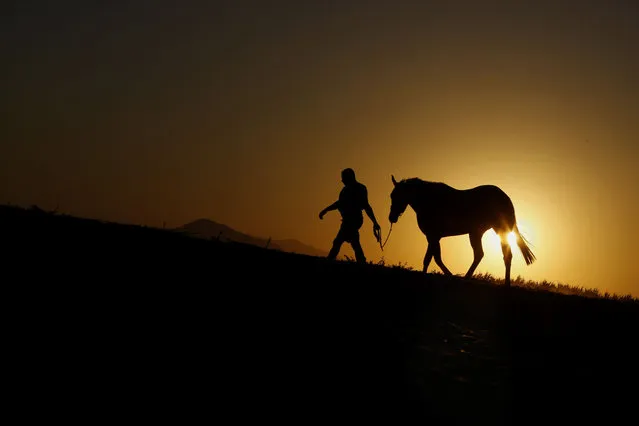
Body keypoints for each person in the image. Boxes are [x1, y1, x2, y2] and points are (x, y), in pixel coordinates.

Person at [319, 168, 381, 263]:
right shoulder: (347, 190)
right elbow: (339, 203)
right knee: (353, 242)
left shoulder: (359, 189)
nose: (342, 181)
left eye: (343, 179)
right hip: (349, 220)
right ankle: (361, 261)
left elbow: (366, 206)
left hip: (353, 220)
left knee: (339, 241)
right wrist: (326, 210)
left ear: (349, 178)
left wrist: (375, 222)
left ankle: (330, 260)